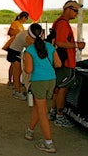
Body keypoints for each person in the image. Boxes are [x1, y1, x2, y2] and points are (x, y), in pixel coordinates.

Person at [23, 23, 62, 153]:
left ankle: (49, 143)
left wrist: (25, 60)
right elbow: (58, 63)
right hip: (51, 80)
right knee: (39, 107)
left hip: (39, 81)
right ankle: (30, 131)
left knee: (42, 111)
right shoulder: (50, 46)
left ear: (29, 35)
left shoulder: (29, 50)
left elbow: (28, 70)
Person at [48, 0, 85, 128]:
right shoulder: (63, 24)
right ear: (68, 9)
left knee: (58, 88)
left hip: (61, 61)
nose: (76, 13)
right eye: (75, 10)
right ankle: (59, 116)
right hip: (65, 62)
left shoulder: (59, 22)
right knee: (63, 89)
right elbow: (60, 42)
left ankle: (53, 112)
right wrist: (77, 45)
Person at [5, 11, 29, 88]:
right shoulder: (15, 23)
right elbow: (9, 32)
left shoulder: (21, 25)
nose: (26, 19)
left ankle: (15, 82)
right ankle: (10, 81)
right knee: (14, 66)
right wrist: (17, 36)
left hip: (18, 47)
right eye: (26, 18)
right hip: (13, 45)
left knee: (15, 66)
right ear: (23, 17)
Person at [7, 29, 30, 100]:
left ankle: (16, 89)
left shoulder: (25, 33)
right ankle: (17, 91)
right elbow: (30, 47)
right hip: (14, 52)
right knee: (17, 72)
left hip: (14, 51)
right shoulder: (27, 36)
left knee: (16, 71)